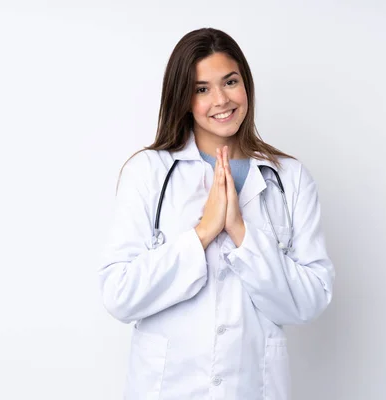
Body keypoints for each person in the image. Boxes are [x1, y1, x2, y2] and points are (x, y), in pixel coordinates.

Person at [98, 27, 335, 400]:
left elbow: (310, 301)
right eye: (202, 89)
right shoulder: (149, 172)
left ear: (246, 84)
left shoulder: (289, 178)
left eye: (230, 81)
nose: (221, 99)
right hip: (168, 388)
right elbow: (119, 295)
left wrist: (242, 233)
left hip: (251, 387)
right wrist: (203, 233)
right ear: (183, 98)